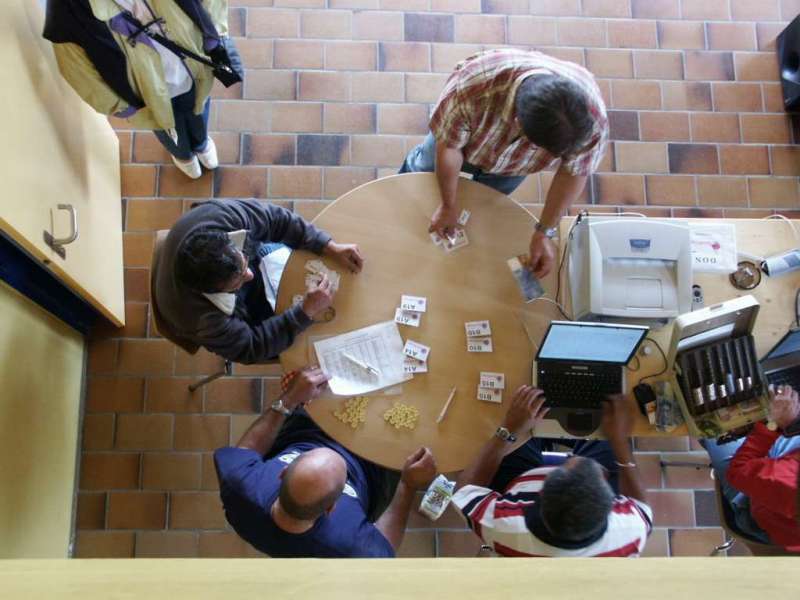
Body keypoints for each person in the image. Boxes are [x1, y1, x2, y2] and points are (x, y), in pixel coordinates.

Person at [399, 48, 608, 278]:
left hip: (513, 166)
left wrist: (544, 231)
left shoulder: (589, 120)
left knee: (482, 202)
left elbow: (574, 172)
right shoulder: (471, 88)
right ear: (517, 123)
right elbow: (449, 147)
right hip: (462, 143)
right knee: (423, 170)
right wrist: (448, 205)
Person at [214, 367, 438, 558]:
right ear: (332, 507)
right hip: (371, 470)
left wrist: (288, 399)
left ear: (283, 472)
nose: (338, 444)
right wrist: (408, 486)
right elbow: (387, 545)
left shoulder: (240, 487)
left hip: (306, 431)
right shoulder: (350, 545)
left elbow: (245, 451)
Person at [44, 0, 242, 179]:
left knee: (198, 108)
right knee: (166, 127)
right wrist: (121, 106)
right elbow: (76, 69)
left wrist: (213, 35)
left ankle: (200, 143)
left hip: (192, 67)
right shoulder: (67, 9)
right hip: (144, 94)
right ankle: (184, 156)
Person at [152, 199, 364, 364]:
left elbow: (275, 219)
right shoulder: (206, 321)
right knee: (308, 340)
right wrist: (304, 312)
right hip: (245, 313)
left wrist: (328, 246)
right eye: (237, 281)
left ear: (228, 241)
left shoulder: (219, 216)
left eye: (243, 263)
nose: (250, 275)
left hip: (234, 272)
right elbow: (252, 347)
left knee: (282, 256)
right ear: (214, 292)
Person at [451, 388, 652, 557]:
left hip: (516, 484)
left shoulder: (504, 525)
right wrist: (619, 439)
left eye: (565, 464)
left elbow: (464, 491)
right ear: (611, 507)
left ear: (539, 492)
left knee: (513, 438)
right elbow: (641, 506)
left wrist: (509, 430)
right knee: (604, 435)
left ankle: (530, 428)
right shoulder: (629, 531)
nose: (570, 458)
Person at [700, 385, 800, 552]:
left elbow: (739, 470)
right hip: (784, 470)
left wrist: (773, 423)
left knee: (712, 421)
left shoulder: (788, 482)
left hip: (751, 497)